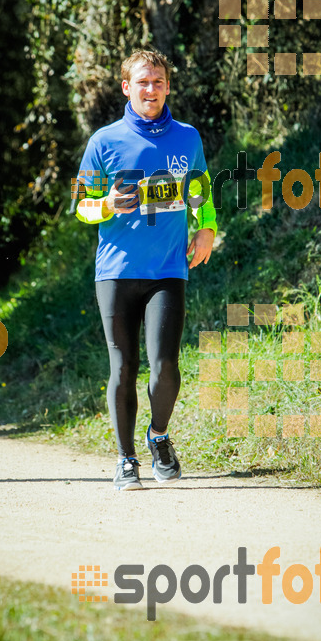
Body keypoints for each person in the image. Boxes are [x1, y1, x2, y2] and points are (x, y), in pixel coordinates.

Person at [74, 49, 217, 490]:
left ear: (168, 86)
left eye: (157, 81)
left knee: (165, 364)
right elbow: (81, 208)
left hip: (168, 268)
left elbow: (201, 192)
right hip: (115, 272)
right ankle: (125, 460)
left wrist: (207, 228)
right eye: (142, 82)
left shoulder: (187, 138)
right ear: (126, 87)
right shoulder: (104, 141)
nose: (150, 89)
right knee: (123, 366)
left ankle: (158, 435)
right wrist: (107, 204)